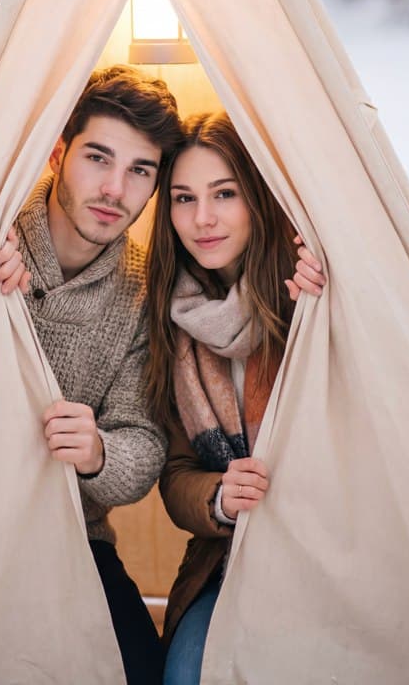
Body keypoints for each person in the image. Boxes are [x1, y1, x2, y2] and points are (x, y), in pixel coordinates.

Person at [0, 75, 325, 683]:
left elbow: (144, 453)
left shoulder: (148, 293)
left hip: (76, 533)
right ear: (57, 154)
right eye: (98, 158)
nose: (114, 189)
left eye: (140, 170)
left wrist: (97, 452)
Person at [145, 111, 325, 685]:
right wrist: (220, 497)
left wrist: (325, 317)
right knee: (186, 675)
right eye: (184, 198)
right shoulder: (170, 322)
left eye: (224, 193)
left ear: (256, 198)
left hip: (325, 553)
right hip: (226, 562)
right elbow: (175, 475)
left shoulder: (309, 292)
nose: (202, 219)